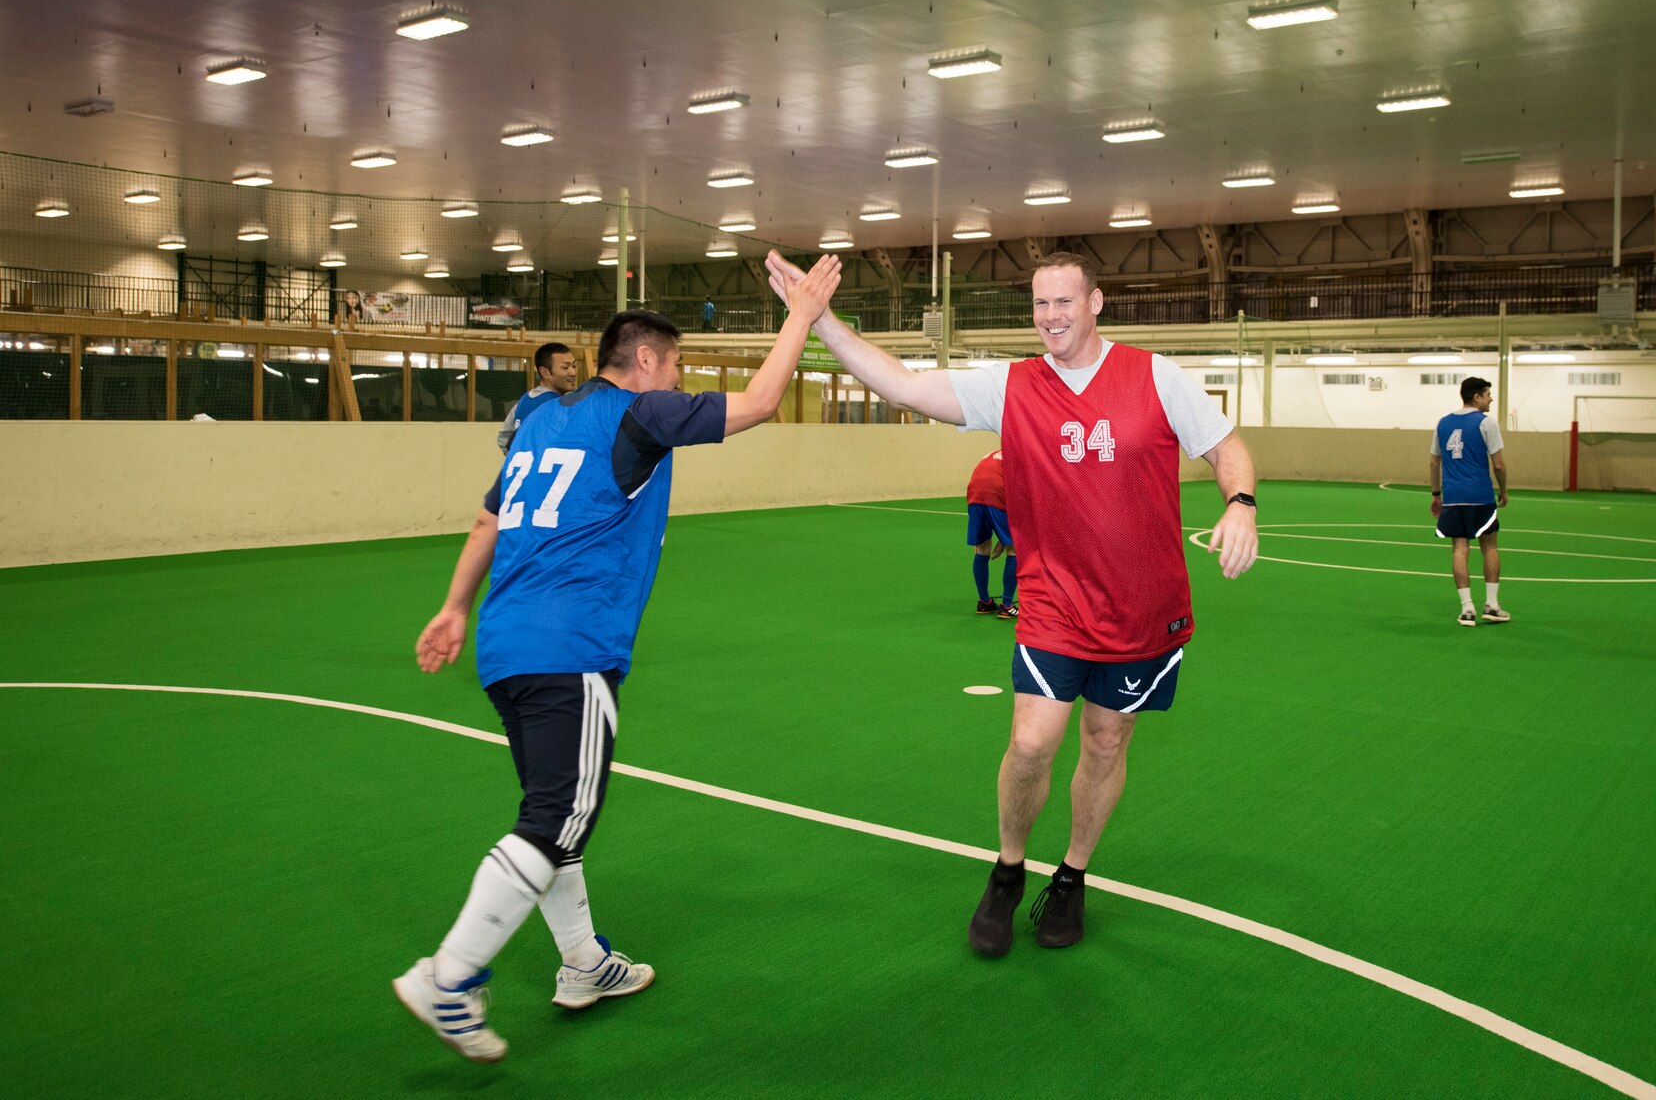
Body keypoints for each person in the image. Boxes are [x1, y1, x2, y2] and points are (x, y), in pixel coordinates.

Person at [395, 251, 842, 1064]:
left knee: (551, 812)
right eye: (674, 367)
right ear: (644, 363)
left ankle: (582, 965)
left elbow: (486, 521)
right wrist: (802, 314)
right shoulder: (640, 414)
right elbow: (766, 401)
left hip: (504, 646)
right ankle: (449, 974)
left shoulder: (539, 421)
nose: (679, 382)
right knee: (557, 815)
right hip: (570, 648)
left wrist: (454, 605)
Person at [766, 250, 1257, 956]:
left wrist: (1239, 503)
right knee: (1031, 742)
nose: (1051, 316)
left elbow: (1226, 445)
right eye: (1039, 304)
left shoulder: (1156, 376)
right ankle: (1006, 868)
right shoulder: (1012, 386)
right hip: (1054, 603)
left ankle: (1073, 875)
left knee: (1106, 740)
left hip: (1144, 609)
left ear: (1096, 302)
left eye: (1064, 301)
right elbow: (902, 384)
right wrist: (821, 321)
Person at [1429, 376, 1509, 626]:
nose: (1491, 399)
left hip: (1453, 497)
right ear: (1476, 397)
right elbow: (1498, 464)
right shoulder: (1486, 423)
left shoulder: (1442, 423)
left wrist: (1436, 494)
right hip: (1480, 496)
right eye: (1487, 394)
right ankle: (1492, 606)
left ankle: (1466, 609)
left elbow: (1434, 461)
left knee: (1459, 549)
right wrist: (1504, 490)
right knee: (1490, 547)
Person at [497, 342, 579, 453]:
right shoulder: (558, 405)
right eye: (565, 367)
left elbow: (503, 439)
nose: (573, 372)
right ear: (545, 373)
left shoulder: (524, 400)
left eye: (574, 366)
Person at [966, 449, 1016, 617]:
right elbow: (1018, 494)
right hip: (996, 493)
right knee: (1015, 549)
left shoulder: (991, 454)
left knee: (981, 548)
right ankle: (1007, 605)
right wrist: (1006, 540)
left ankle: (984, 602)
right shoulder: (1020, 456)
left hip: (974, 496)